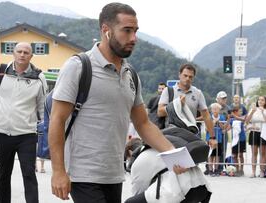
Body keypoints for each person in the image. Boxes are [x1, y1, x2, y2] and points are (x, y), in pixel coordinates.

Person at [48, 3, 186, 202]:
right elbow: (57, 119)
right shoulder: (78, 67)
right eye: (127, 31)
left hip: (114, 174)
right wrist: (58, 171)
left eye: (135, 31)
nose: (133, 38)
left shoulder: (130, 75)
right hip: (83, 174)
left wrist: (173, 154)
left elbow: (143, 124)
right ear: (106, 30)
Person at [0, 42, 47, 203]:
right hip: (3, 133)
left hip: (27, 135)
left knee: (29, 174)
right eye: (19, 51)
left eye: (26, 52)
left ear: (31, 56)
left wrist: (46, 131)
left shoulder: (39, 77)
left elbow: (43, 106)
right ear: (13, 53)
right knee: (3, 174)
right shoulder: (1, 71)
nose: (22, 54)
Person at [157, 64, 215, 142]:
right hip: (171, 134)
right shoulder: (168, 91)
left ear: (193, 78)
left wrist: (212, 138)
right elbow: (160, 112)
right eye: (185, 75)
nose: (187, 78)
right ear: (179, 75)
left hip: (190, 136)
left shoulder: (198, 93)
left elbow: (206, 116)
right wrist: (177, 104)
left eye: (190, 77)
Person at [245, 96, 266, 178]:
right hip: (254, 133)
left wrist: (263, 112)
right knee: (254, 153)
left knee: (262, 153)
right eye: (259, 100)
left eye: (262, 100)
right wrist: (252, 112)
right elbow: (247, 121)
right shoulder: (253, 109)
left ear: (265, 102)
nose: (260, 101)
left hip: (263, 133)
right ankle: (253, 172)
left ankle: (262, 171)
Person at [206, 103, 227, 176]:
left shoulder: (221, 117)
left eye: (216, 108)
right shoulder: (209, 117)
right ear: (211, 110)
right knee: (211, 155)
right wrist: (213, 123)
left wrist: (219, 122)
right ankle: (210, 170)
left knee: (217, 155)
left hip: (219, 139)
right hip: (210, 138)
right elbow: (206, 128)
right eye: (213, 109)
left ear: (219, 110)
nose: (215, 110)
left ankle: (216, 169)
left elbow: (223, 127)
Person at [229, 106, 247, 177]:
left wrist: (234, 116)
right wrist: (228, 118)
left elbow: (244, 120)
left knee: (240, 155)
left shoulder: (242, 118)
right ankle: (237, 169)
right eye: (239, 111)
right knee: (234, 155)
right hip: (235, 140)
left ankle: (241, 169)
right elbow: (227, 128)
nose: (241, 113)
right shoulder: (232, 120)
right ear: (235, 112)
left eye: (241, 111)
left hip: (242, 139)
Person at [215, 91, 230, 172]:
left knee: (223, 150)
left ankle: (220, 168)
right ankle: (209, 168)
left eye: (225, 98)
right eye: (222, 98)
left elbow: (229, 120)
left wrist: (226, 129)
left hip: (224, 132)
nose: (224, 100)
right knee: (212, 150)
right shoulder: (213, 107)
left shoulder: (228, 108)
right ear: (218, 99)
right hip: (214, 132)